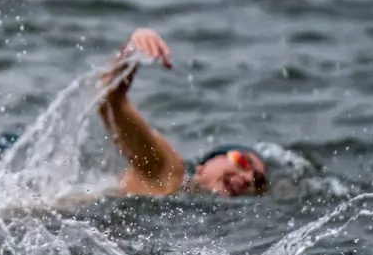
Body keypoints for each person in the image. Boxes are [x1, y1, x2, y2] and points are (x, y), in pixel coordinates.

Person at [99, 28, 267, 197]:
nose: (248, 178)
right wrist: (132, 52)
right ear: (204, 165)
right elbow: (111, 102)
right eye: (243, 162)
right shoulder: (166, 171)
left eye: (257, 181)